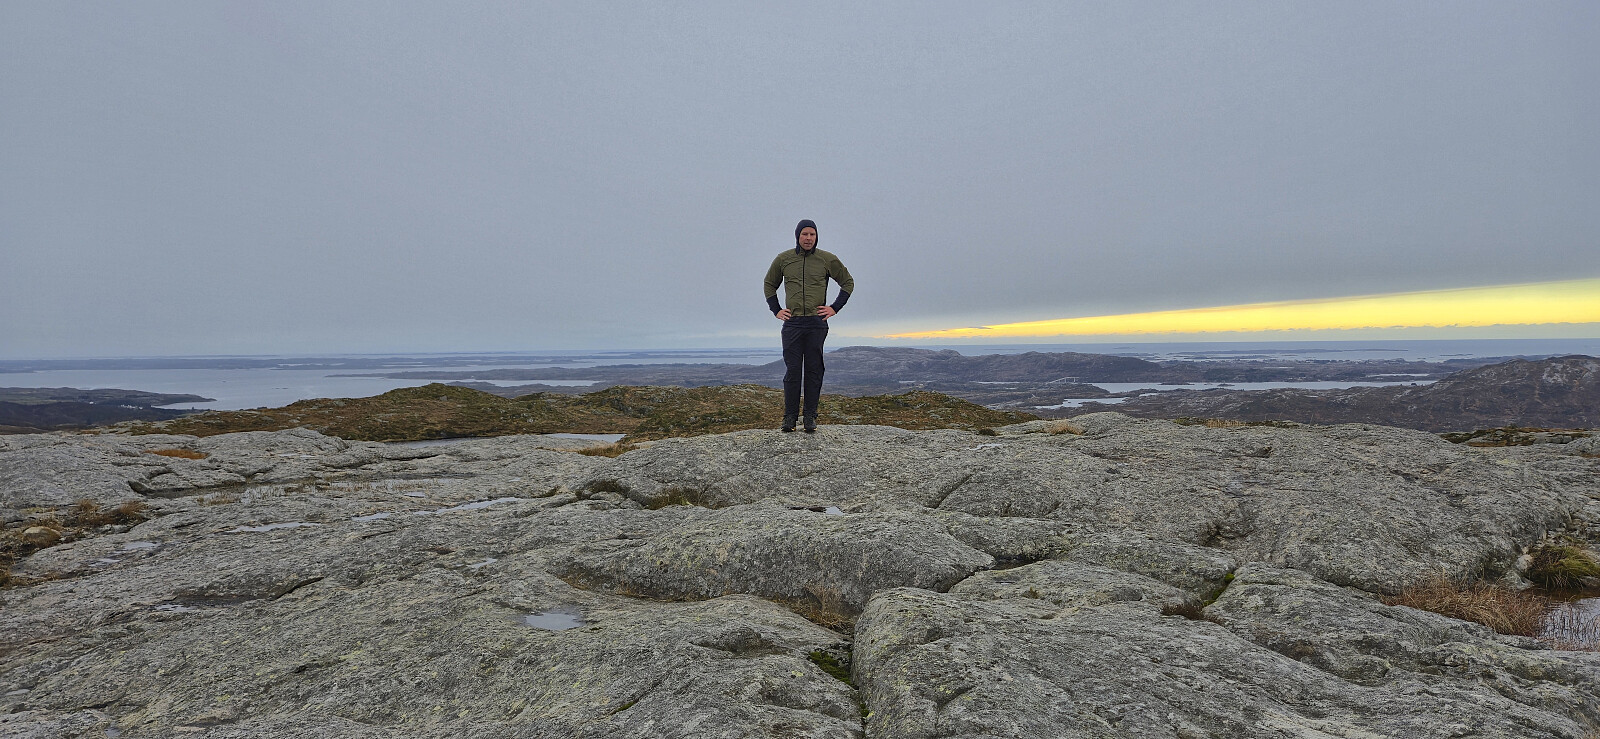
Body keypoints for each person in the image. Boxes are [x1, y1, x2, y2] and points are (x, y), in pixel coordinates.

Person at [763, 219, 854, 433]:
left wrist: (834, 308)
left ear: (816, 237)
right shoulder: (784, 259)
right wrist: (776, 310)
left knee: (814, 370)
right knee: (793, 370)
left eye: (812, 234)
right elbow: (769, 284)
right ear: (798, 236)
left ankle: (810, 416)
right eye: (805, 234)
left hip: (816, 323)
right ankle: (790, 417)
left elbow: (847, 282)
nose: (808, 238)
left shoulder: (827, 259)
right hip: (793, 323)